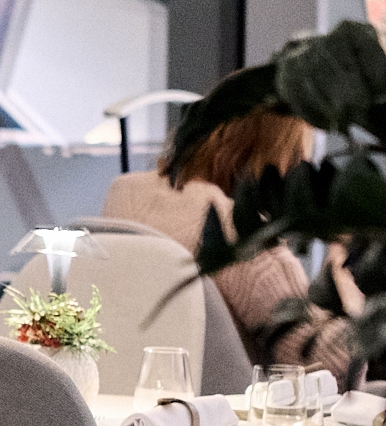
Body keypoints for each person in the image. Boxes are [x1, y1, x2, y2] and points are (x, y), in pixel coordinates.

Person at [104, 89, 363, 383]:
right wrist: (346, 280)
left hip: (122, 398)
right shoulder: (241, 234)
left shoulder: (123, 194)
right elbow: (332, 368)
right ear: (280, 160)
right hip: (223, 408)